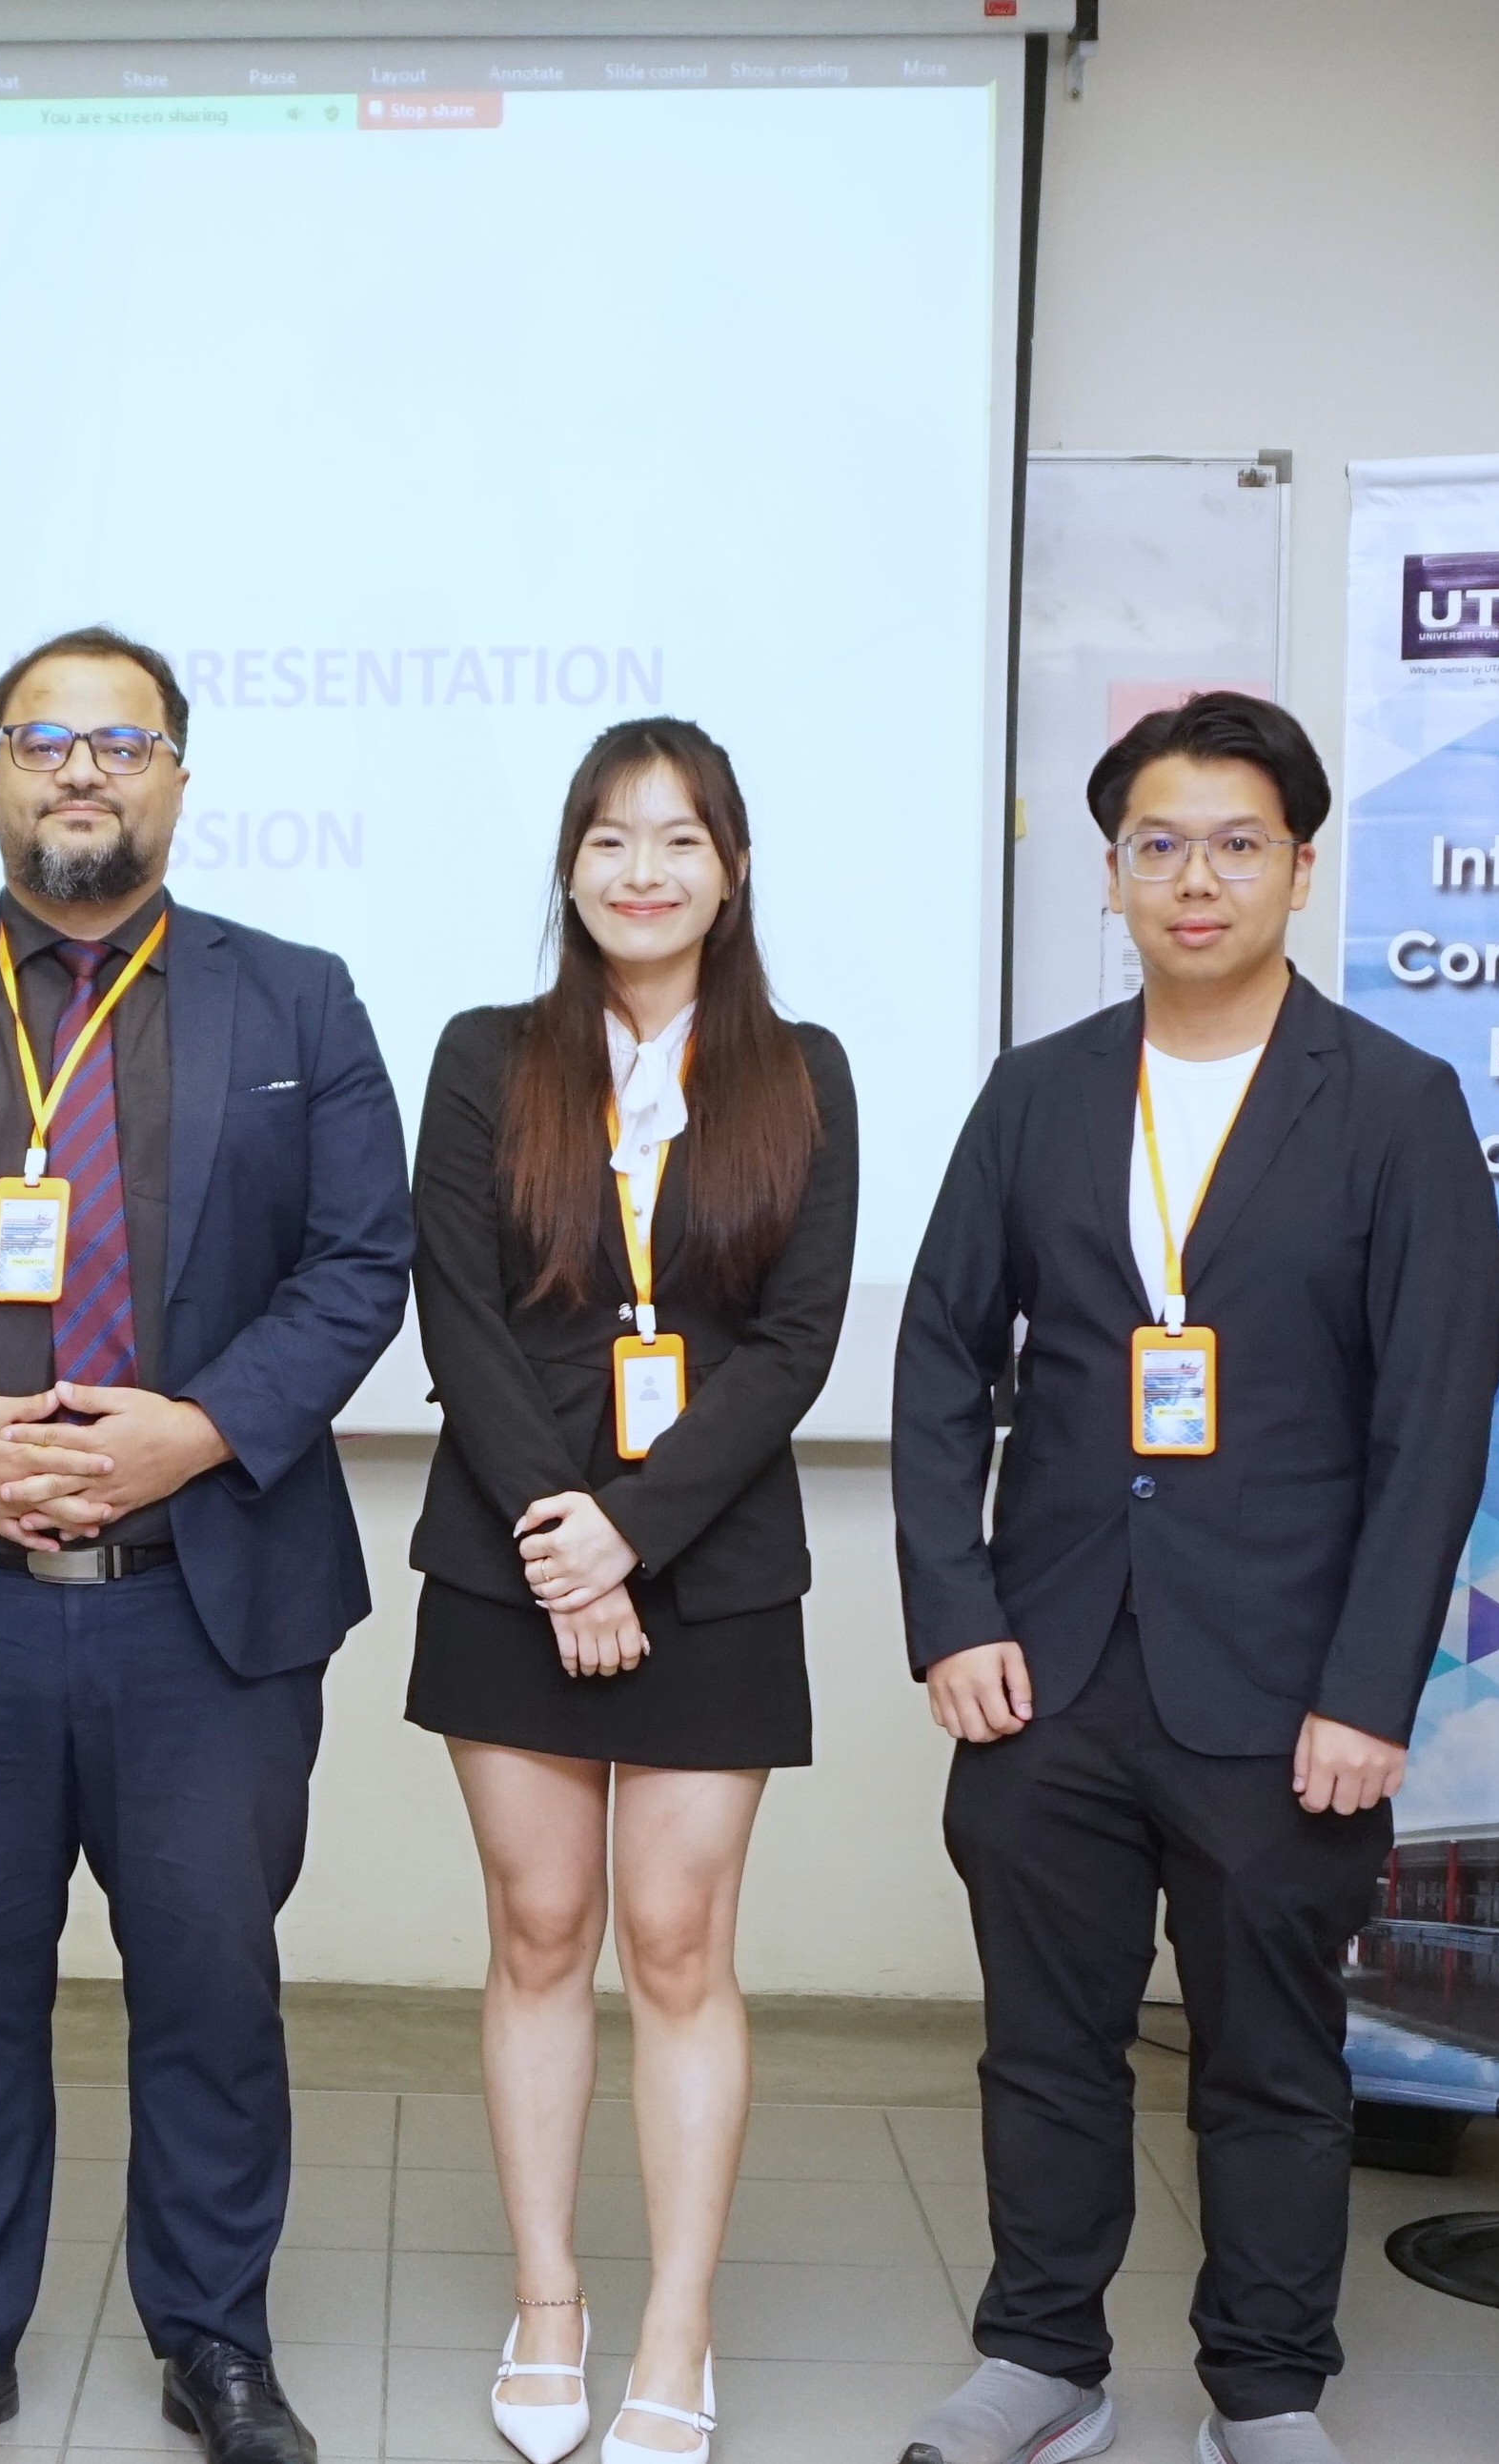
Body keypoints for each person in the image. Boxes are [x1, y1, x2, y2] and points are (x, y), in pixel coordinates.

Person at [0, 626, 412, 2464]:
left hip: (206, 1596)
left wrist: (195, 1432)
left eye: (122, 741)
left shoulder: (300, 1001)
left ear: (180, 774)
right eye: (46, 738)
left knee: (213, 1986)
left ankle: (216, 2338)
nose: (83, 770)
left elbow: (361, 1261)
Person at [891, 691, 1499, 2464]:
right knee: (1045, 2043)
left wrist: (1370, 1691)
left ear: (1301, 867)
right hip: (1051, 1667)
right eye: (1158, 845)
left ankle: (1266, 2385)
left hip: (1290, 1689)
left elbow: (1433, 1426)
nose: (1196, 878)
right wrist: (955, 1615)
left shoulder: (1394, 1104)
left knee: (1273, 2058)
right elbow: (939, 1362)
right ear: (1111, 875)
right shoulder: (1039, 1093)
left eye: (1238, 843)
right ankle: (1042, 2359)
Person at [405, 718, 856, 2464]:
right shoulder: (487, 1056)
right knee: (538, 1932)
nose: (643, 869)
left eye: (679, 839)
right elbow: (459, 1313)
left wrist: (634, 1536)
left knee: (676, 1943)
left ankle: (676, 2324)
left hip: (711, 1565)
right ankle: (549, 2302)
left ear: (730, 871)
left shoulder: (802, 1072)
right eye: (610, 838)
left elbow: (795, 1343)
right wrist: (562, 1535)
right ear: (570, 866)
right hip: (508, 1555)